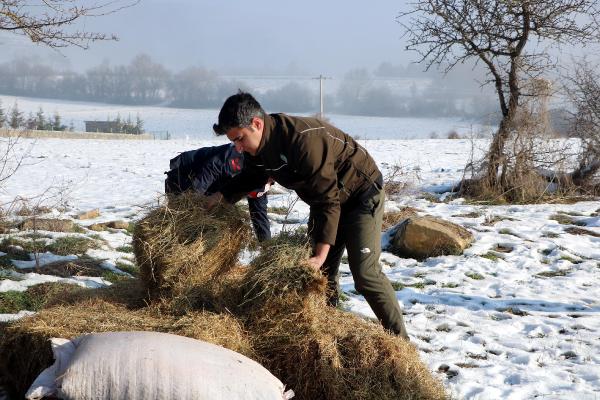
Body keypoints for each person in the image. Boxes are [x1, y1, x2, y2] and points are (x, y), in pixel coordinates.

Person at [209, 91, 409, 339]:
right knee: (322, 275)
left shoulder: (303, 140)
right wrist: (217, 198)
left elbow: (328, 198)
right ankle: (328, 333)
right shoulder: (258, 149)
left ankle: (401, 342)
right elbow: (251, 178)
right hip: (325, 201)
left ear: (257, 124)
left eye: (239, 139)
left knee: (365, 275)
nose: (237, 147)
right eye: (233, 142)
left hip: (360, 195)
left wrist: (320, 253)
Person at [165, 143, 271, 242]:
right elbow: (211, 170)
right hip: (187, 173)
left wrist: (267, 245)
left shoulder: (261, 182)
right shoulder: (243, 157)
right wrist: (193, 201)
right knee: (183, 223)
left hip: (213, 184)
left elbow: (259, 213)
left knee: (206, 225)